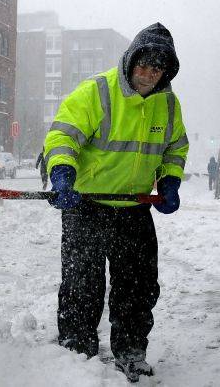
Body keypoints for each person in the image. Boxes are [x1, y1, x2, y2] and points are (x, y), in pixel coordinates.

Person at [43, 23, 189, 383]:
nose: (148, 73)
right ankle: (78, 352)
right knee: (82, 284)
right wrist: (62, 174)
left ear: (165, 72)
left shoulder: (168, 105)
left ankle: (130, 350)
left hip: (134, 210)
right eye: (143, 64)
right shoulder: (99, 91)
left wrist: (169, 181)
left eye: (157, 68)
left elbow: (175, 148)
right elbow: (63, 134)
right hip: (87, 206)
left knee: (138, 285)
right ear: (131, 60)